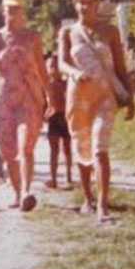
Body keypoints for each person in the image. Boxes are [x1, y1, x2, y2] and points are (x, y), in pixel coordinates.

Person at [59, 0, 135, 223]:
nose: (84, 7)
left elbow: (121, 68)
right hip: (79, 96)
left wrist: (130, 98)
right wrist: (73, 73)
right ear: (75, 5)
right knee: (82, 145)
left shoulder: (110, 31)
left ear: (97, 4)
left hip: (105, 97)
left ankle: (103, 205)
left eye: (88, 2)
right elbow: (61, 62)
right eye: (80, 2)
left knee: (100, 149)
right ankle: (88, 199)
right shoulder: (68, 32)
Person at [0, 0, 51, 212]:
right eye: (9, 9)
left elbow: (41, 68)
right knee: (8, 151)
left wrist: (49, 96)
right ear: (3, 10)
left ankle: (28, 191)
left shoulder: (32, 38)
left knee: (24, 147)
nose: (12, 13)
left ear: (23, 11)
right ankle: (18, 192)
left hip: (27, 97)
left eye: (17, 9)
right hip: (3, 100)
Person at [44, 52, 73, 189]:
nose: (53, 70)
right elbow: (42, 102)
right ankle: (53, 179)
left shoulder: (66, 84)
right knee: (53, 150)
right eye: (50, 67)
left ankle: (68, 177)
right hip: (53, 118)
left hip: (65, 117)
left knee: (67, 149)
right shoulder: (46, 84)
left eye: (56, 66)